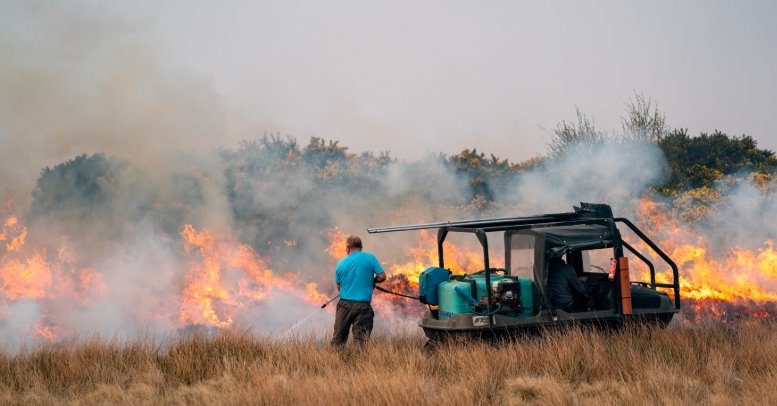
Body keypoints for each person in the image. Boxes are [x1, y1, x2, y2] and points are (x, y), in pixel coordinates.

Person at [331, 235, 386, 347]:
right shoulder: (370, 258)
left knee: (338, 340)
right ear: (361, 247)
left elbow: (339, 287)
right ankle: (359, 363)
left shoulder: (341, 263)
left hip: (344, 306)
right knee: (361, 342)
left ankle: (335, 362)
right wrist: (372, 281)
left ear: (348, 249)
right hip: (363, 306)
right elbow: (382, 276)